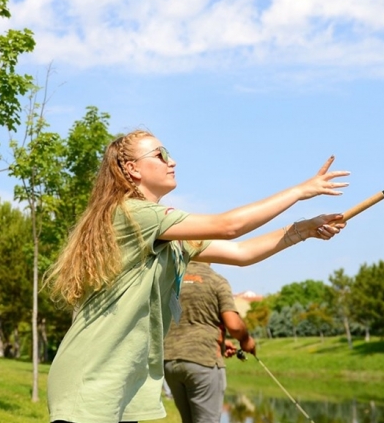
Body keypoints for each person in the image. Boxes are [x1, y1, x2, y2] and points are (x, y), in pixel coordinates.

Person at [46, 129, 348, 423]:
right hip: (90, 377)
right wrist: (299, 191)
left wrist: (304, 229)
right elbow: (229, 226)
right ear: (131, 168)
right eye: (161, 155)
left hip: (120, 379)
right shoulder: (134, 214)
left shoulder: (165, 231)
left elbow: (241, 252)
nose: (172, 162)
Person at [163, 262, 255, 423]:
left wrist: (221, 343)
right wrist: (246, 340)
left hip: (170, 361)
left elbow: (180, 320)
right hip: (203, 361)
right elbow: (233, 325)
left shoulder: (171, 279)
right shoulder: (216, 280)